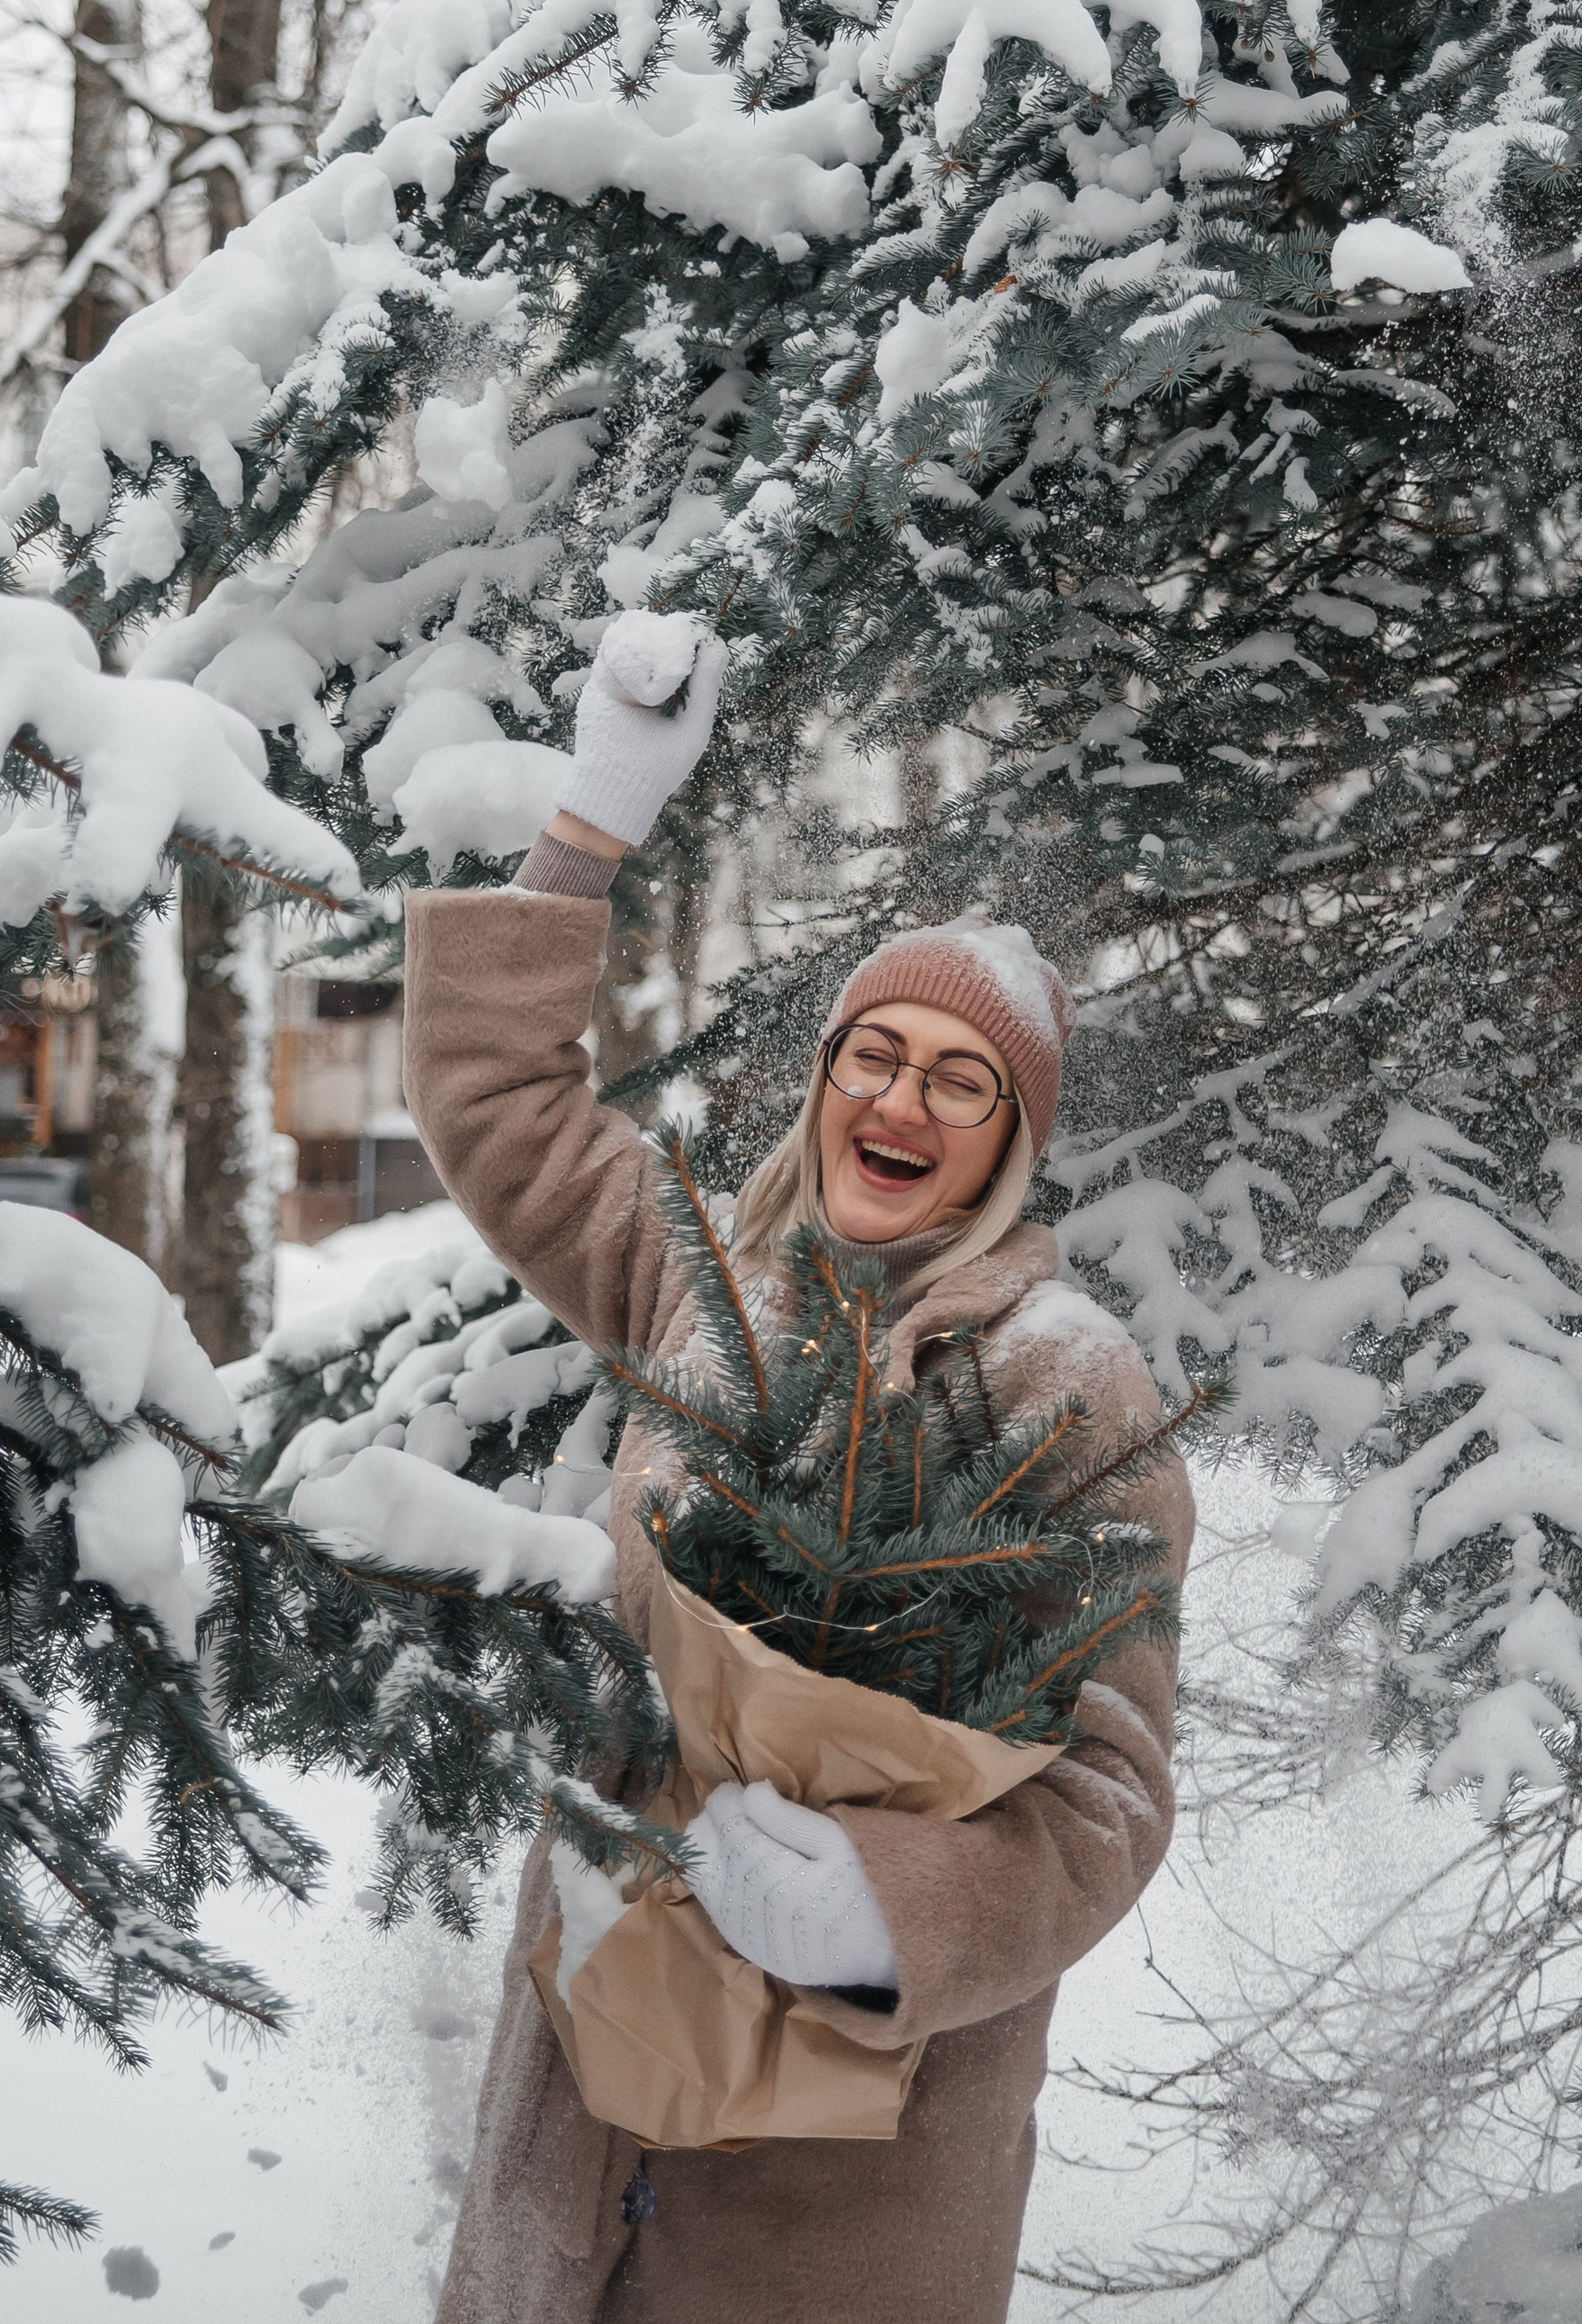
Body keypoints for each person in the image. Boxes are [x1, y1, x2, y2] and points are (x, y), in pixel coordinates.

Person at [408, 615, 1194, 2324]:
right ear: (830, 1080)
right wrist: (596, 819)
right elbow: (496, 1103)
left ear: (1009, 1144)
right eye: (879, 1054)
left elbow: (1109, 1803)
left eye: (964, 1081)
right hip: (587, 2092)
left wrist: (887, 1913)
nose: (905, 1096)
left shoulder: (1071, 1387)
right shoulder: (705, 1283)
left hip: (849, 2191)